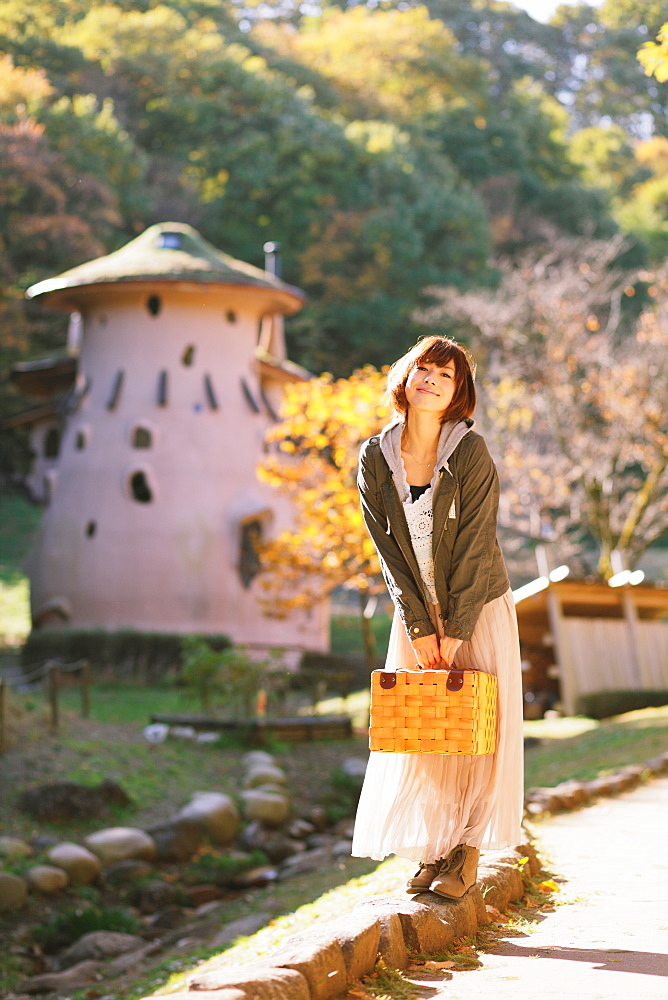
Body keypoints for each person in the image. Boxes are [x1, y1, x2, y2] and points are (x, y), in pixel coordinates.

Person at [351, 335, 524, 899]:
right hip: (418, 616)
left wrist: (457, 629)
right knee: (427, 737)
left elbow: (477, 545)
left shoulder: (471, 453)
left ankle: (467, 852)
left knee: (479, 734)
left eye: (444, 376)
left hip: (478, 608)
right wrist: (422, 627)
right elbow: (389, 551)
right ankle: (432, 849)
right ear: (405, 377)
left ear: (458, 394)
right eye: (423, 369)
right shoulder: (375, 457)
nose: (430, 379)